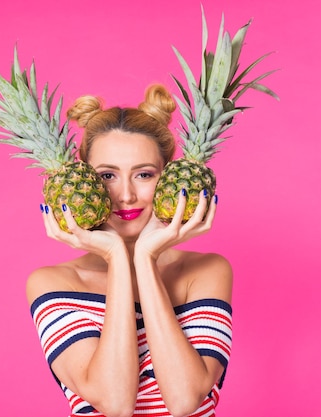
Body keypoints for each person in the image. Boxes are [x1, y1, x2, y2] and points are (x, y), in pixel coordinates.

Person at [27, 84, 233, 417]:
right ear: (83, 180)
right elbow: (114, 403)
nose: (125, 195)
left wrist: (144, 258)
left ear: (167, 177)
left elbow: (184, 401)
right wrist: (119, 260)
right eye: (107, 175)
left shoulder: (206, 271)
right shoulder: (54, 282)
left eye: (144, 174)